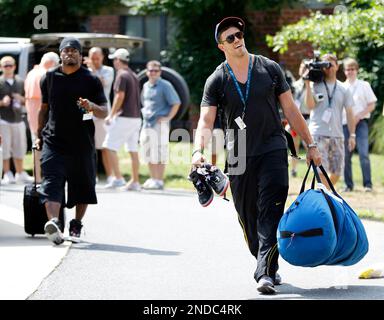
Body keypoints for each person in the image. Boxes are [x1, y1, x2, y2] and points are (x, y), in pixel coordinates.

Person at [192, 16, 321, 294]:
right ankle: (267, 264)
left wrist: (310, 145)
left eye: (239, 34)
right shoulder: (217, 79)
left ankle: (263, 273)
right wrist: (197, 151)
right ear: (221, 46)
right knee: (247, 215)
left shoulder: (269, 68)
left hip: (273, 146)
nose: (238, 40)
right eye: (230, 38)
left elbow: (291, 110)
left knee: (270, 210)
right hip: (238, 152)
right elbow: (205, 120)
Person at [35, 37, 108, 244]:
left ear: (80, 55)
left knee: (82, 186)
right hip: (53, 140)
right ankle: (55, 224)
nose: (69, 53)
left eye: (74, 50)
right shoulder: (49, 78)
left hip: (81, 142)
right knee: (51, 182)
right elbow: (44, 109)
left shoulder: (91, 80)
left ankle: (76, 224)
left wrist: (91, 106)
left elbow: (104, 112)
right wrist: (38, 135)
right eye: (66, 50)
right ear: (60, 54)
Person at [305, 53, 356, 188]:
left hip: (337, 134)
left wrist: (352, 135)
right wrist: (307, 84)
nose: (328, 67)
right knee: (320, 170)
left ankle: (325, 192)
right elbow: (309, 106)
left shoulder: (344, 88)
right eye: (325, 64)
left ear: (337, 66)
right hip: (318, 133)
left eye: (331, 64)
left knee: (337, 172)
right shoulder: (315, 85)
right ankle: (326, 196)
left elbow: (350, 113)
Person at [102, 48, 142, 191]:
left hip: (124, 117)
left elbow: (120, 96)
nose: (113, 62)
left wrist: (111, 115)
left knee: (109, 146)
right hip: (136, 118)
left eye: (114, 59)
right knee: (133, 149)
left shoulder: (121, 75)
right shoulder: (133, 75)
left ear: (118, 60)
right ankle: (135, 182)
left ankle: (118, 179)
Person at [140, 60, 180, 190]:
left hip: (159, 124)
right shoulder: (146, 86)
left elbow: (176, 103)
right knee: (147, 151)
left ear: (160, 72)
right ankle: (153, 178)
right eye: (150, 70)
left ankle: (159, 180)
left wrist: (168, 117)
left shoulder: (165, 85)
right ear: (147, 72)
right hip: (147, 123)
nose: (153, 73)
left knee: (160, 152)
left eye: (155, 70)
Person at [342, 57, 377, 192]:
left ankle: (368, 184)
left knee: (364, 153)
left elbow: (372, 104)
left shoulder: (364, 85)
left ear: (357, 70)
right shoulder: (342, 87)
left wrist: (358, 116)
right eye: (347, 69)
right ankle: (348, 185)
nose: (350, 72)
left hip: (361, 123)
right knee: (346, 155)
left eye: (352, 69)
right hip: (345, 124)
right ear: (344, 71)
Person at [24, 52, 60, 183]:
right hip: (43, 116)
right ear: (51, 63)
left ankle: (37, 177)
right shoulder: (46, 75)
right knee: (43, 146)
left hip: (32, 114)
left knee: (36, 145)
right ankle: (43, 177)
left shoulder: (31, 73)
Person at [0, 56, 33, 185]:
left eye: (10, 65)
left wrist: (21, 99)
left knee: (20, 147)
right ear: (1, 67)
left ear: (14, 66)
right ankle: (7, 173)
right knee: (6, 147)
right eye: (5, 65)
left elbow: (28, 100)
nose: (8, 68)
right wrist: (2, 102)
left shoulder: (20, 81)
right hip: (3, 120)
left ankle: (20, 173)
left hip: (18, 119)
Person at [85, 47, 115, 184]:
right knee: (88, 146)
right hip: (87, 113)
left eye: (97, 58)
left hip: (102, 113)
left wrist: (93, 69)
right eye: (92, 58)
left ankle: (110, 176)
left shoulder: (108, 71)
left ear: (102, 57)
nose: (95, 61)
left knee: (104, 146)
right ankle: (92, 175)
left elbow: (101, 82)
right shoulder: (85, 71)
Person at [289, 59, 312, 177]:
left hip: (308, 118)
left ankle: (313, 168)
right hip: (295, 118)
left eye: (306, 68)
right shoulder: (294, 85)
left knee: (309, 144)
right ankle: (293, 169)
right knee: (294, 146)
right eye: (302, 67)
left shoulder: (312, 85)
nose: (304, 70)